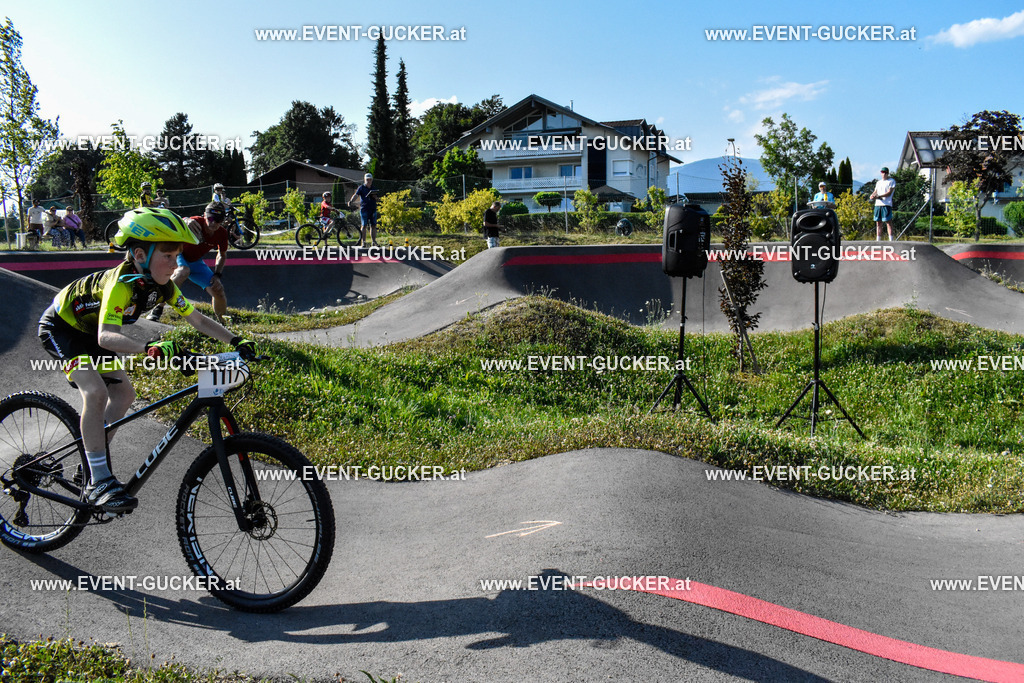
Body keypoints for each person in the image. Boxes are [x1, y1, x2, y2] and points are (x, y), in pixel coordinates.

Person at [37, 206, 256, 513]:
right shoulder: (121, 284)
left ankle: (91, 459)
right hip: (63, 328)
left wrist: (235, 340)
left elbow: (197, 319)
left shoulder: (163, 285)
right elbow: (105, 338)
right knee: (96, 392)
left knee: (125, 394)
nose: (175, 262)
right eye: (168, 255)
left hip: (91, 330)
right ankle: (97, 479)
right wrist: (149, 347)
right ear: (140, 255)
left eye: (177, 254)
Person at [147, 202, 230, 323]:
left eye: (218, 220)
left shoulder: (222, 233)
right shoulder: (195, 222)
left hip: (195, 261)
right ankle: (158, 308)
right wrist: (184, 220)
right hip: (180, 255)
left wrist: (217, 275)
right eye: (211, 218)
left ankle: (222, 323)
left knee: (218, 290)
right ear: (204, 215)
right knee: (183, 271)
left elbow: (222, 254)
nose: (213, 223)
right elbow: (170, 221)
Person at [349, 173, 380, 247]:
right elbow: (356, 195)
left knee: (373, 225)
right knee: (364, 225)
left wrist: (376, 198)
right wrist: (351, 201)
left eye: (370, 180)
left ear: (372, 180)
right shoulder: (361, 188)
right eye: (367, 179)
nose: (368, 181)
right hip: (364, 209)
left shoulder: (374, 188)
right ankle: (363, 242)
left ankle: (373, 241)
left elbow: (377, 198)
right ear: (364, 180)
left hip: (372, 209)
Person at [869, 167, 896, 241]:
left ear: (887, 173)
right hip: (878, 204)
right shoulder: (879, 182)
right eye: (882, 172)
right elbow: (875, 191)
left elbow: (889, 192)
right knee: (878, 223)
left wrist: (879, 196)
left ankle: (891, 240)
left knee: (888, 222)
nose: (883, 174)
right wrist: (872, 196)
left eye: (885, 172)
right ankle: (878, 240)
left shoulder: (891, 181)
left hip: (886, 204)